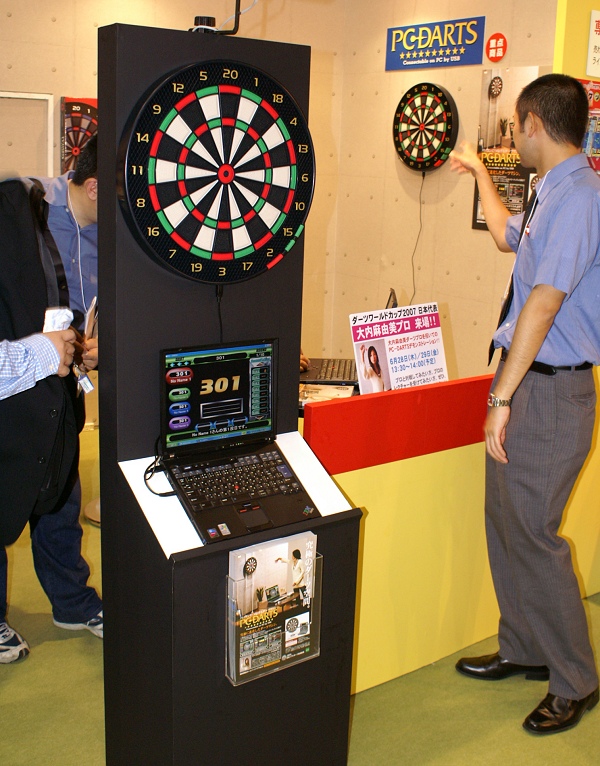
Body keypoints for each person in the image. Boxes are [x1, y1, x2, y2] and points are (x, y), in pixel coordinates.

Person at [449, 74, 600, 735]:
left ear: (535, 122)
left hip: (547, 389)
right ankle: (525, 647)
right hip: (527, 383)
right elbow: (505, 235)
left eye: (515, 125)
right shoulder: (552, 193)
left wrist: (501, 396)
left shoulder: (582, 199)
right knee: (506, 525)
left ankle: (576, 679)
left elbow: (542, 303)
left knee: (534, 535)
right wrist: (480, 171)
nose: (513, 135)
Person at [0, 136, 102, 665]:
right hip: (15, 380)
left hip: (64, 378)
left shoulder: (112, 237)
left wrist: (93, 347)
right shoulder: (23, 208)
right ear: (94, 186)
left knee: (62, 491)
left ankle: (72, 601)